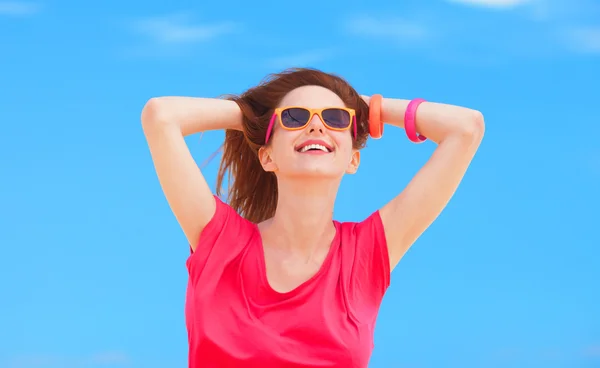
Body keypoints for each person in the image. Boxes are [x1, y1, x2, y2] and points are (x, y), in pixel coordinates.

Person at [141, 68, 485, 368]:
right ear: (267, 156)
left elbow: (466, 128)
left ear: (353, 159)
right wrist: (253, 112)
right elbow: (160, 115)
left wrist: (367, 108)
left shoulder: (365, 252)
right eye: (294, 117)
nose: (317, 126)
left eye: (335, 118)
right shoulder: (221, 243)